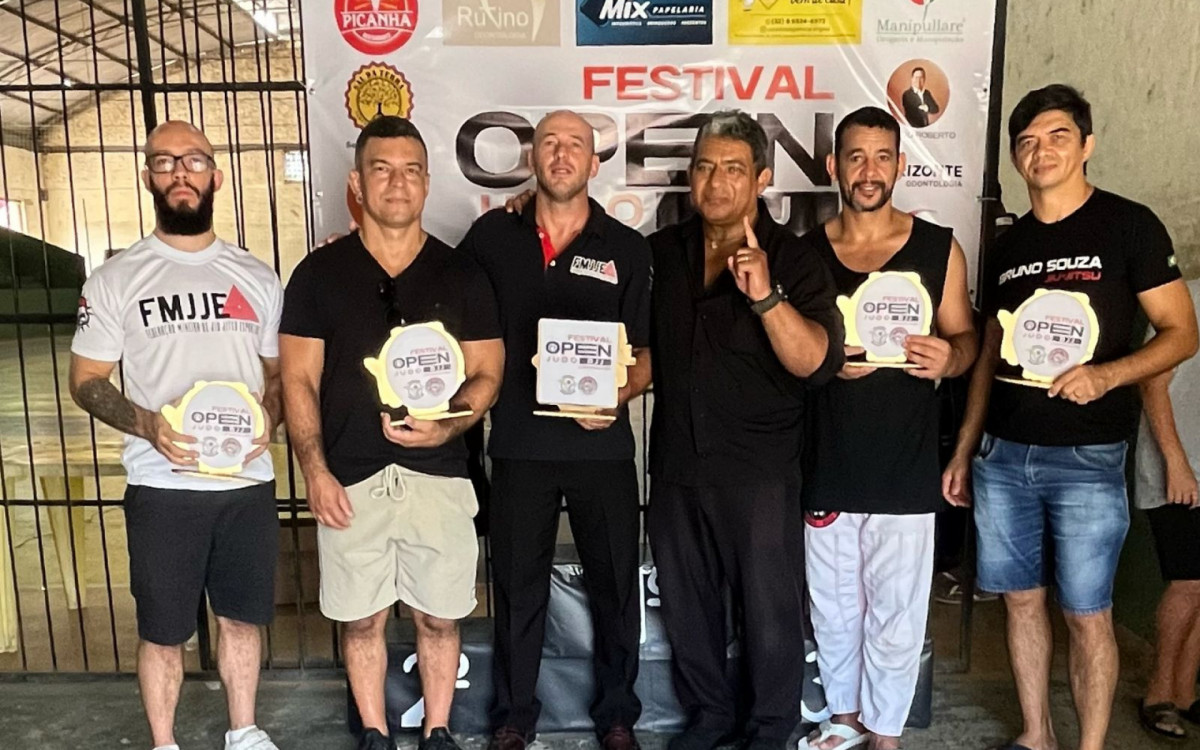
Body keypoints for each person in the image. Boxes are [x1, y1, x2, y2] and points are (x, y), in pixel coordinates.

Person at [942, 84, 1199, 750]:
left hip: (1088, 459)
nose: (1041, 151)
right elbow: (988, 354)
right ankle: (1037, 735)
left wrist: (1107, 375)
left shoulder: (1128, 225)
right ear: (1015, 158)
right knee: (1021, 602)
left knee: (1087, 612)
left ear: (1087, 145)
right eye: (1027, 141)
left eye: (1058, 136)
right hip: (1004, 457)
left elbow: (1181, 333)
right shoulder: (1008, 246)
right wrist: (967, 447)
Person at [278, 116, 504, 750]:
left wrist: (448, 425)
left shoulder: (463, 274)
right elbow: (298, 381)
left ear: (428, 182)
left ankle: (438, 732)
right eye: (381, 169)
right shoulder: (317, 275)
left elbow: (488, 373)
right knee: (360, 621)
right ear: (357, 183)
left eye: (410, 171)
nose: (397, 183)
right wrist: (315, 472)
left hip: (440, 476)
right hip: (351, 479)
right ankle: (375, 735)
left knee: (441, 618)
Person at [69, 120, 284, 750]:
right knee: (163, 631)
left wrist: (268, 421)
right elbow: (85, 381)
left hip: (244, 481)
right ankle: (164, 743)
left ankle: (243, 731)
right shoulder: (116, 279)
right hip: (162, 484)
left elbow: (277, 377)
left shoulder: (256, 277)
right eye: (164, 163)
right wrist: (149, 426)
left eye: (193, 161)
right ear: (148, 179)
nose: (180, 173)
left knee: (241, 619)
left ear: (216, 176)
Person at [647, 110, 844, 750]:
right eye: (705, 167)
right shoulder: (661, 254)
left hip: (759, 471)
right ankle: (709, 718)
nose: (717, 182)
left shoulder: (796, 259)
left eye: (733, 169)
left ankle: (769, 729)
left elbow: (816, 362)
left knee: (768, 611)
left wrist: (765, 296)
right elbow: (639, 354)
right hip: (677, 465)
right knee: (688, 607)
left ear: (761, 178)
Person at [460, 110, 651, 750]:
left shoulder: (626, 247)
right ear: (532, 158)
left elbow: (646, 353)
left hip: (602, 446)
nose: (561, 154)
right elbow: (454, 317)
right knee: (518, 590)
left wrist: (619, 392)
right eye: (549, 143)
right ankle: (514, 716)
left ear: (594, 163)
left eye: (575, 145)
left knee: (616, 588)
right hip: (519, 444)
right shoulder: (491, 237)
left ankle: (618, 714)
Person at [799, 107, 978, 750]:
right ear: (833, 166)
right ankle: (843, 719)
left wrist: (949, 358)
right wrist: (825, 363)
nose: (869, 171)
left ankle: (885, 731)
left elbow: (968, 341)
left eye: (882, 157)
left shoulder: (938, 248)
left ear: (901, 165)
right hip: (826, 460)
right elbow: (786, 353)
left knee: (897, 610)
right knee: (833, 605)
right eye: (855, 156)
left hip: (905, 465)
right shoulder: (804, 254)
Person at [1135, 277, 1200, 741]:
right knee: (1188, 583)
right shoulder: (1186, 296)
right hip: (1181, 465)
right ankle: (1157, 693)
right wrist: (1176, 463)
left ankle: (1185, 692)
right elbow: (1153, 384)